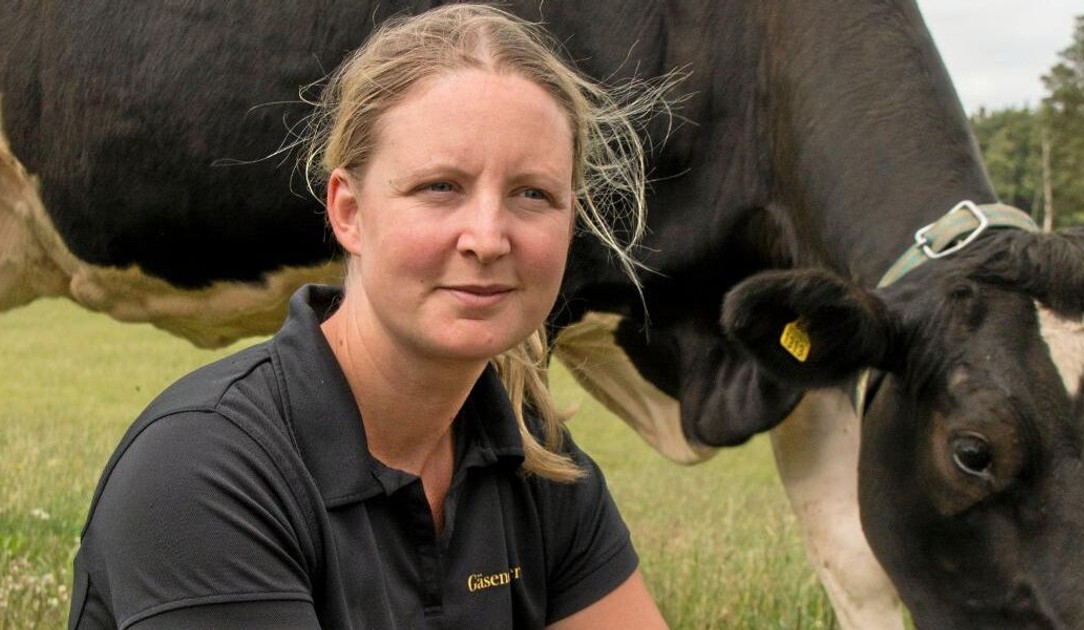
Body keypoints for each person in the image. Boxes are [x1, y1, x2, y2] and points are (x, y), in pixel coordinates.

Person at [68, 4, 672, 628]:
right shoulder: (205, 469)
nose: (488, 239)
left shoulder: (533, 459)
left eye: (532, 194)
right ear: (349, 212)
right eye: (440, 187)